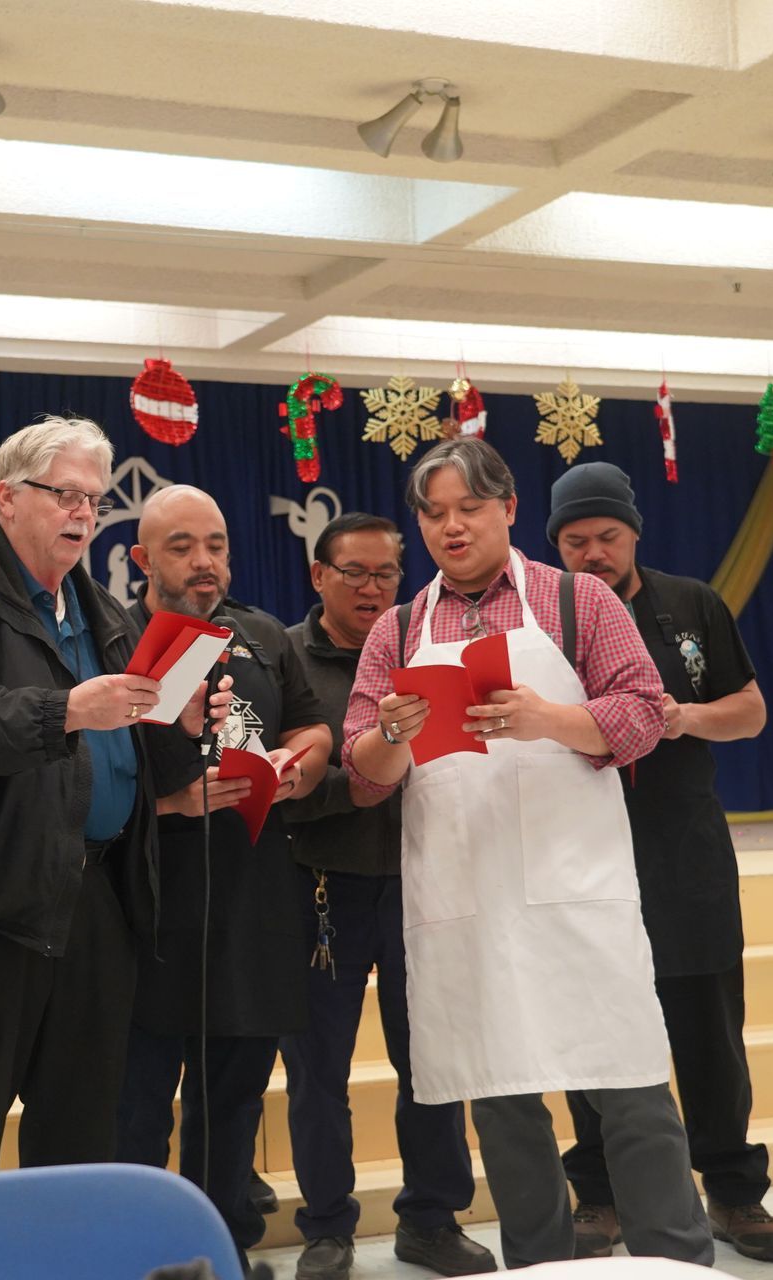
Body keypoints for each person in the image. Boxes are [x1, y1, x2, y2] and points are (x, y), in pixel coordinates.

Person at [344, 437, 712, 1269]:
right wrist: (392, 736)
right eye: (433, 514)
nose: (451, 527)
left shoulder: (577, 601)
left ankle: (678, 1260)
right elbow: (363, 777)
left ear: (509, 509)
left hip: (576, 884)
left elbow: (643, 715)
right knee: (503, 1101)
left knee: (631, 1089)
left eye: (469, 509)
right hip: (466, 895)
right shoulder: (398, 629)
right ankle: (539, 1265)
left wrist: (547, 719)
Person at [0, 417, 228, 1180]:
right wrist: (64, 710)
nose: (83, 513)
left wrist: (182, 726)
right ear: (7, 498)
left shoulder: (103, 612)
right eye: (65, 495)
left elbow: (133, 758)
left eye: (93, 500)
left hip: (94, 900)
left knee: (80, 1134)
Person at [548, 462, 773, 1262]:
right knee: (590, 1027)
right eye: (575, 541)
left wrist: (683, 717)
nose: (593, 553)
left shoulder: (691, 603)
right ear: (554, 545)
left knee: (708, 1029)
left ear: (634, 534)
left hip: (684, 849)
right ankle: (601, 1194)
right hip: (579, 851)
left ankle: (733, 1191)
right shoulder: (540, 620)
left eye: (607, 536)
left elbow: (751, 711)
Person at [112, 485, 333, 1263]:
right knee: (137, 1108)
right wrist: (167, 801)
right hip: (146, 909)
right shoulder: (113, 639)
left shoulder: (263, 634)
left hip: (252, 904)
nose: (204, 561)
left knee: (234, 1103)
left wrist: (299, 765)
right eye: (182, 547)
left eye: (216, 545)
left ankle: (222, 1252)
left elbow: (311, 726)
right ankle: (141, 1259)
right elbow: (83, 771)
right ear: (142, 559)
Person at [279, 512, 495, 1280]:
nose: (373, 589)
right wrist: (362, 781)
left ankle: (431, 1221)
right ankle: (327, 1228)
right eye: (355, 573)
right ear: (319, 576)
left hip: (422, 887)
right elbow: (281, 784)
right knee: (317, 1074)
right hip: (318, 893)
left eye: (387, 574)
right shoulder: (285, 660)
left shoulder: (426, 649)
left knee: (432, 1062)